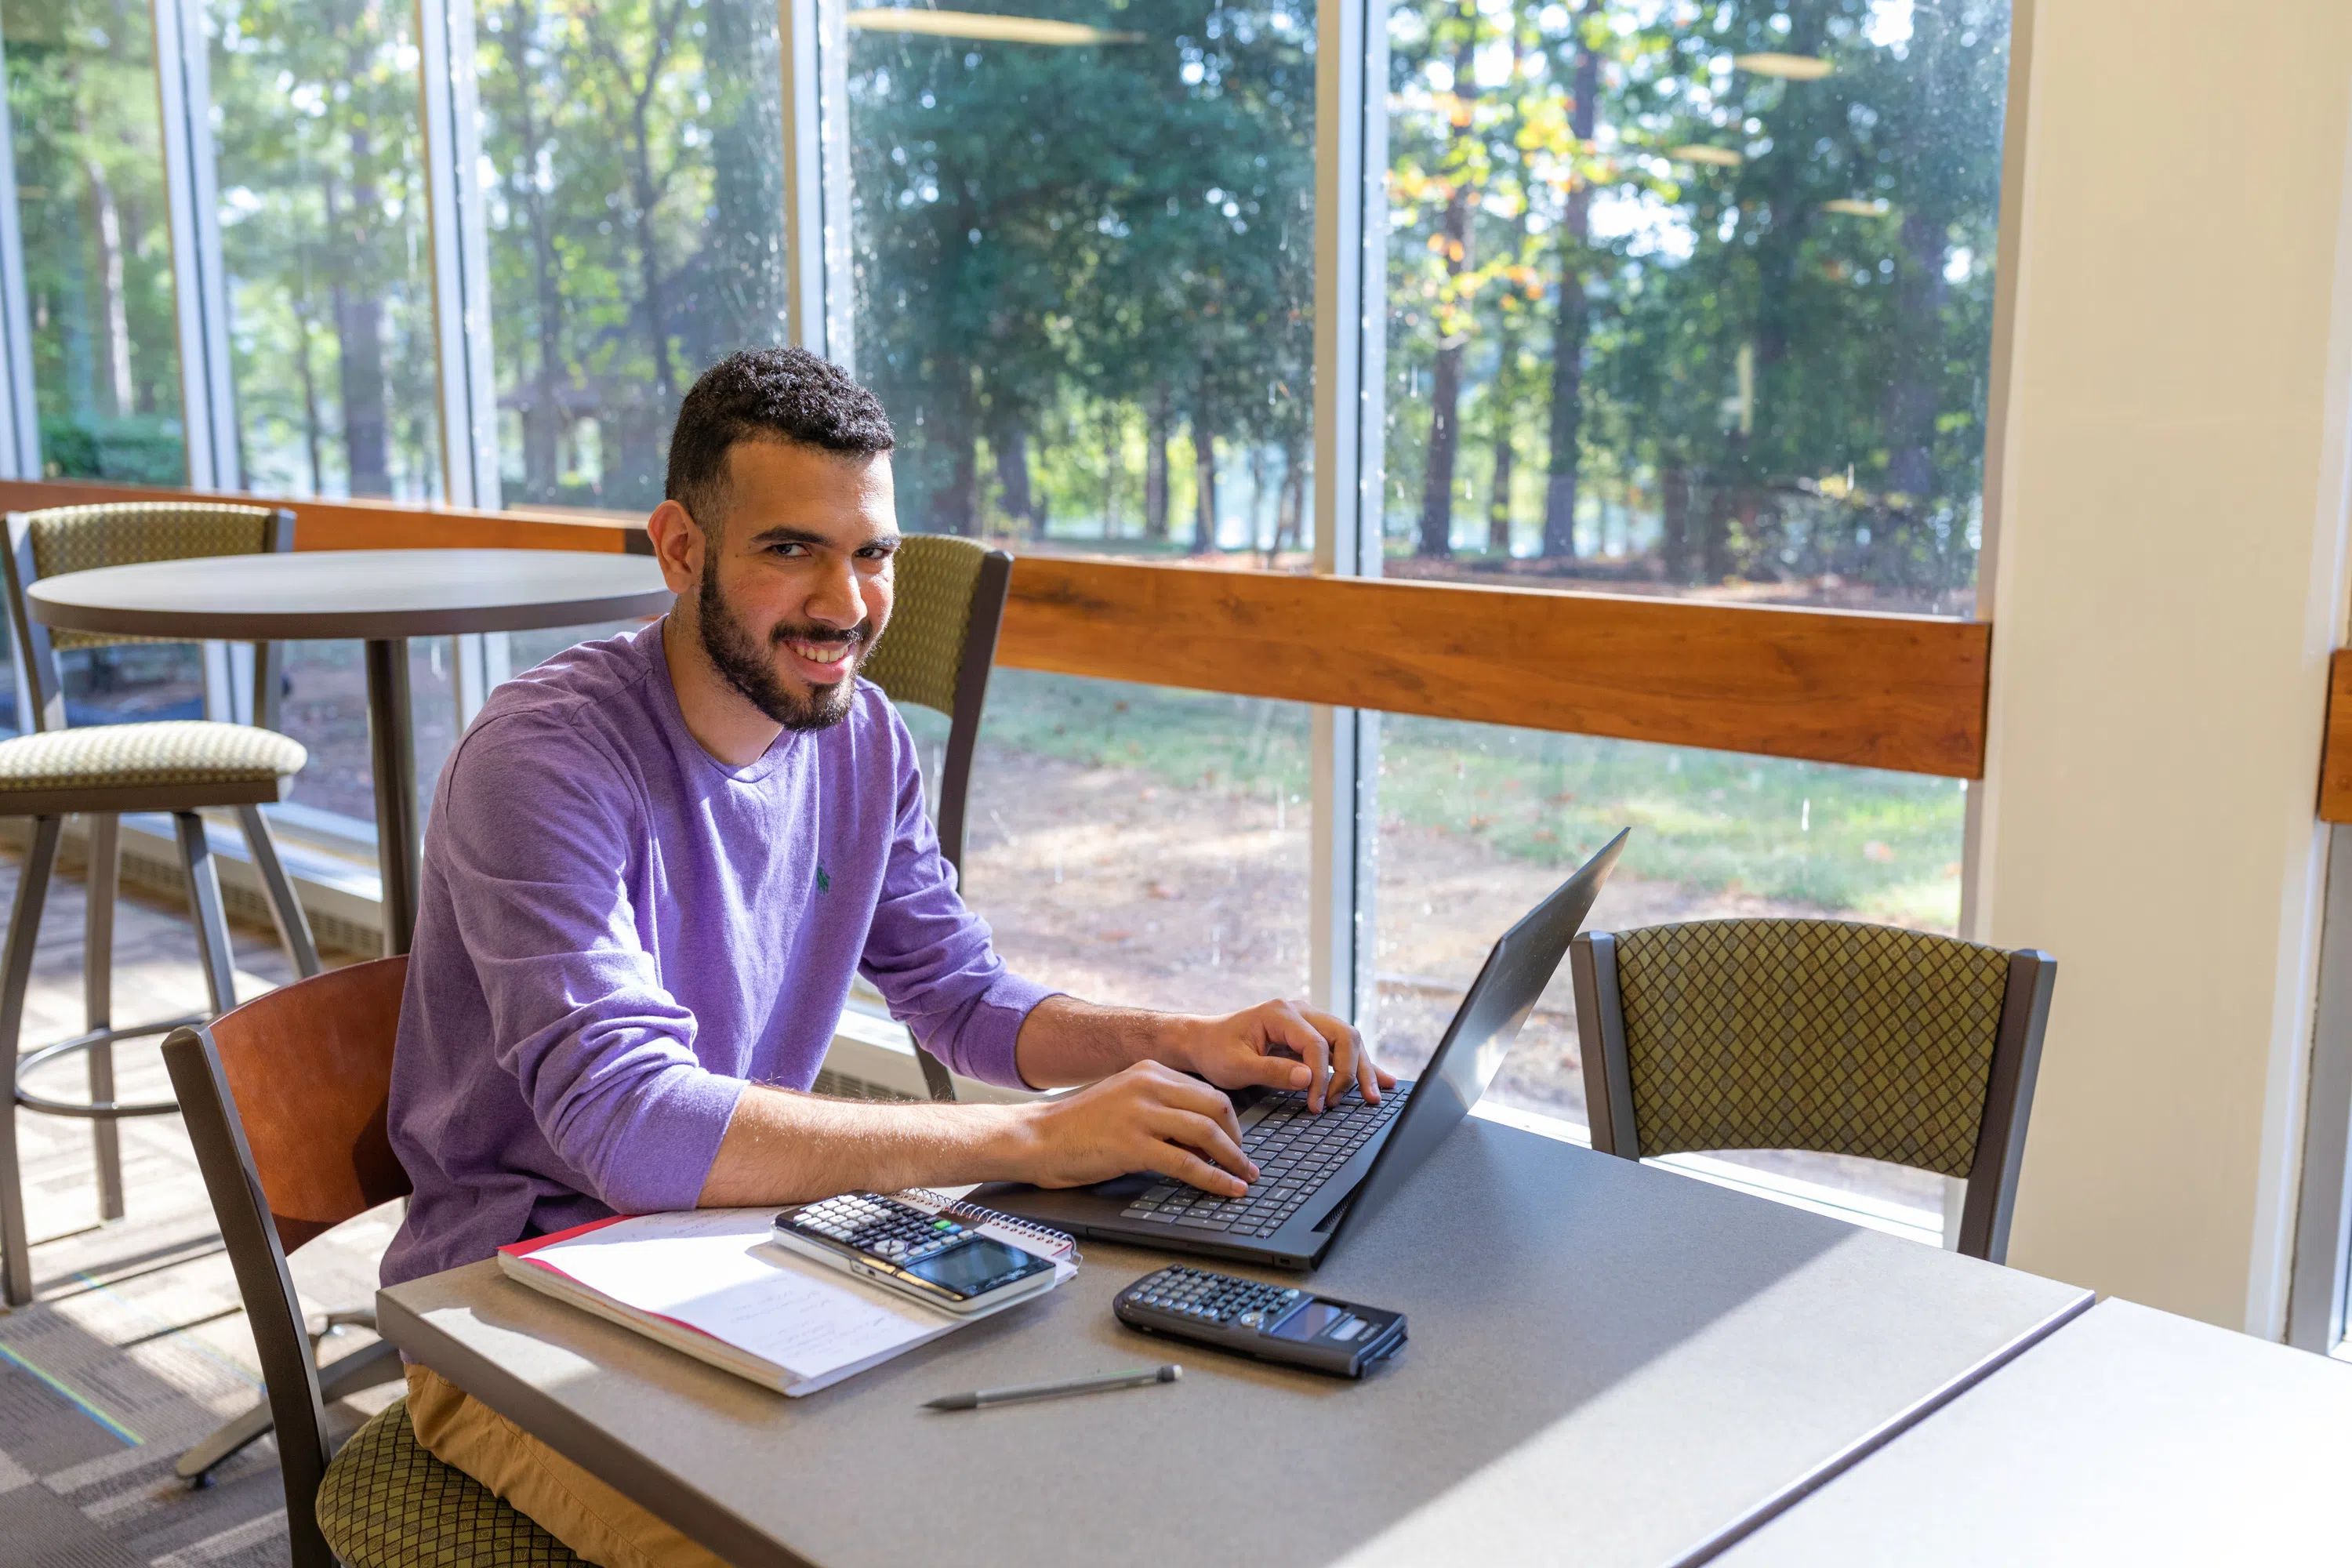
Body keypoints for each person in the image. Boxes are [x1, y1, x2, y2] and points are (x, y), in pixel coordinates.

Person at [381, 347, 1389, 1568]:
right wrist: (1030, 1138)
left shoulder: (862, 738)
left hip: (743, 1254)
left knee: (1045, 1490)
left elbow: (963, 998)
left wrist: (1176, 1041)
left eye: (873, 553)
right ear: (681, 547)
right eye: (791, 548)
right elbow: (634, 1130)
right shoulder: (544, 761)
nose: (849, 604)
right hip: (509, 1310)